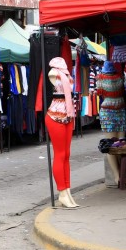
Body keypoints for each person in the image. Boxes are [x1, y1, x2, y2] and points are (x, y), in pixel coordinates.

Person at [45, 57, 78, 208]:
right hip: (56, 116)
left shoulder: (66, 73)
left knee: (66, 154)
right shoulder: (53, 72)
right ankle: (62, 192)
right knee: (60, 154)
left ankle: (67, 190)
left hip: (68, 115)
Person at [96, 61, 126, 186]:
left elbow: (99, 93)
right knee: (121, 144)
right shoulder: (120, 77)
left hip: (108, 110)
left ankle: (117, 176)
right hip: (120, 109)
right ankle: (120, 175)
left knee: (111, 146)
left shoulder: (100, 79)